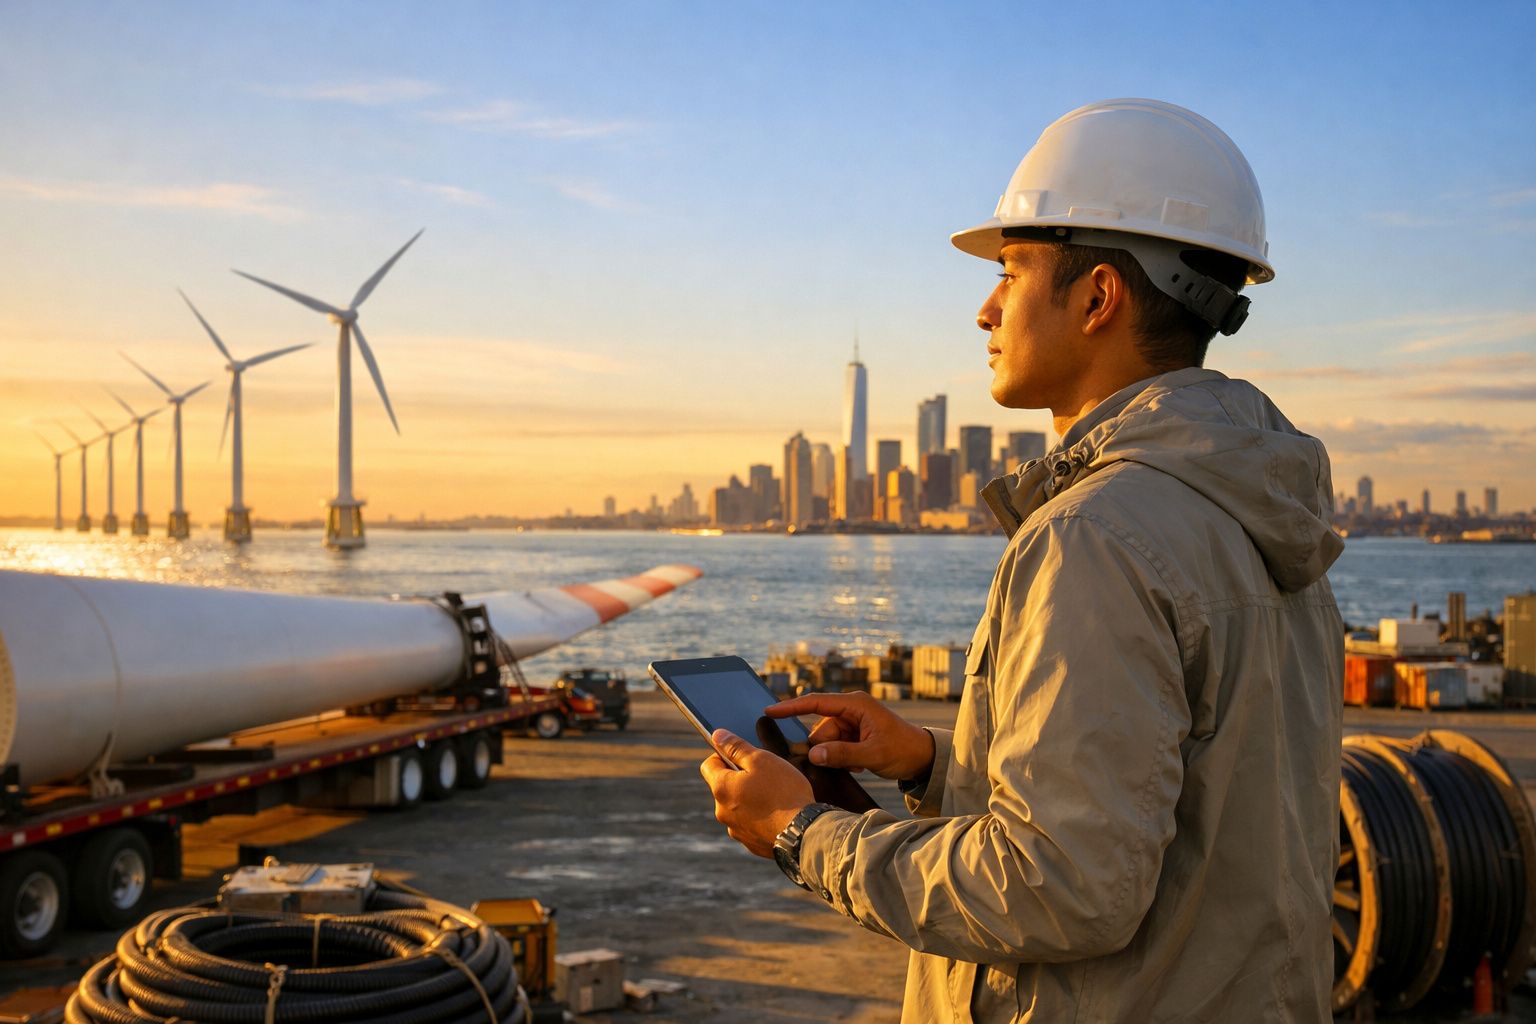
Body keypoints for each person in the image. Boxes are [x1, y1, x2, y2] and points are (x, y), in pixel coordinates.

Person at [700, 98, 1344, 1022]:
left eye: (1010, 272)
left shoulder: (1097, 536)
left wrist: (802, 832)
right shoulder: (1267, 516)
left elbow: (1060, 886)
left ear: (1097, 298)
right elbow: (1187, 805)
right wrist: (928, 763)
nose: (985, 308)